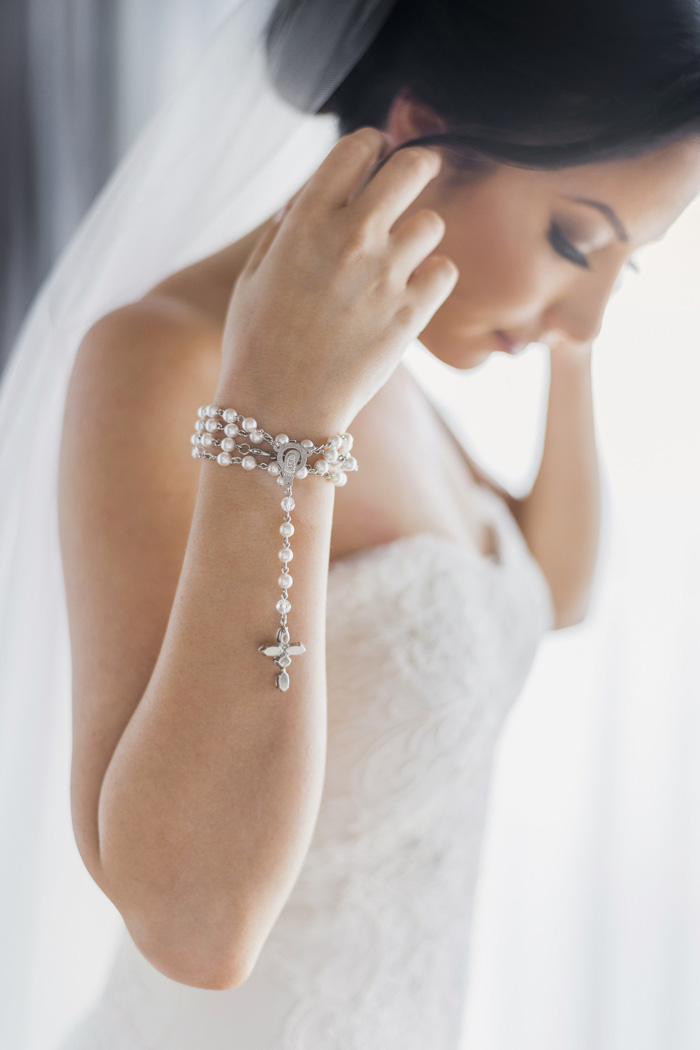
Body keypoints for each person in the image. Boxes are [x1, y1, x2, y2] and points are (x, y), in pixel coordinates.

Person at [4, 1, 700, 1047]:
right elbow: (195, 929)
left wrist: (569, 330)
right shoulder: (170, 364)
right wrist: (281, 417)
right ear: (416, 140)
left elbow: (552, 589)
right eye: (571, 237)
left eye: (628, 262)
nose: (590, 307)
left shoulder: (397, 386)